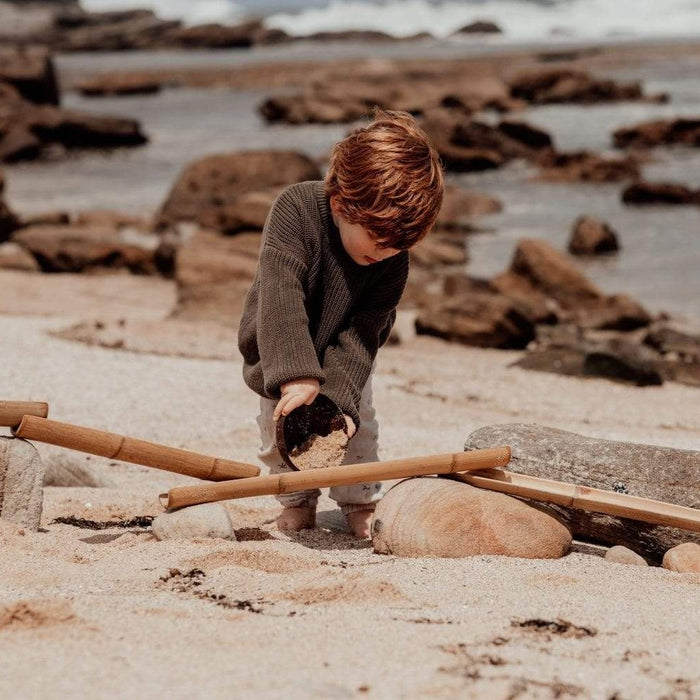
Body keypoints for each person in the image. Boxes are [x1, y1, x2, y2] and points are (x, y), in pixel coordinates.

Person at [238, 109, 444, 539]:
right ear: (341, 204)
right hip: (280, 343)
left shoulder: (392, 260)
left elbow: (365, 332)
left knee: (357, 427)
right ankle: (297, 501)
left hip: (344, 352)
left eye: (398, 247)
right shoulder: (296, 208)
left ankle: (359, 501)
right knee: (278, 430)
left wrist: (339, 399)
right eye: (378, 240)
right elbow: (281, 293)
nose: (385, 253)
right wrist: (296, 377)